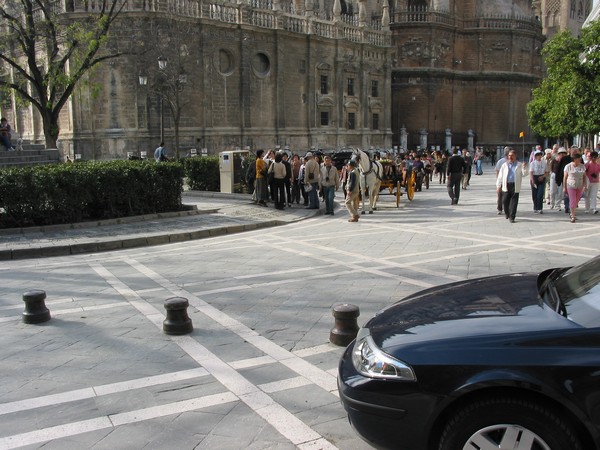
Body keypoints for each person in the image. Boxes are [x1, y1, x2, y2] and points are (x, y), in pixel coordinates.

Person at [496, 149, 528, 223]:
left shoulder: (519, 165)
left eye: (512, 155)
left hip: (515, 185)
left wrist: (524, 167)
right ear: (507, 156)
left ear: (515, 156)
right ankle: (507, 213)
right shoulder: (504, 165)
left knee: (514, 202)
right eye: (509, 155)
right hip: (506, 185)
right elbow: (500, 176)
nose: (510, 157)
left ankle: (512, 216)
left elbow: (525, 174)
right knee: (505, 201)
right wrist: (498, 186)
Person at [563, 153, 588, 223]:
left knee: (576, 200)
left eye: (580, 158)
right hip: (570, 185)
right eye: (578, 158)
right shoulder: (568, 166)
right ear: (574, 159)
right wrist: (564, 187)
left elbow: (584, 177)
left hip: (579, 185)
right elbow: (565, 177)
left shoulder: (582, 166)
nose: (580, 160)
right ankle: (573, 216)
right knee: (573, 200)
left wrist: (585, 185)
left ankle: (572, 212)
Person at [529, 150, 547, 214]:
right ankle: (535, 207)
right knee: (534, 194)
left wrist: (543, 176)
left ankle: (540, 208)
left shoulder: (544, 163)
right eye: (537, 155)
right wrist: (532, 180)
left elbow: (546, 172)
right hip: (535, 177)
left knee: (540, 193)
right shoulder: (533, 163)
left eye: (540, 155)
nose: (539, 156)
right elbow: (531, 172)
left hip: (541, 178)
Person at [495, 147, 511, 215]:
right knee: (500, 196)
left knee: (508, 196)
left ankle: (507, 208)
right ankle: (499, 208)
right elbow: (497, 171)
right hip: (502, 181)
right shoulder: (501, 161)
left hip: (510, 181)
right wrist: (498, 182)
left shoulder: (513, 162)